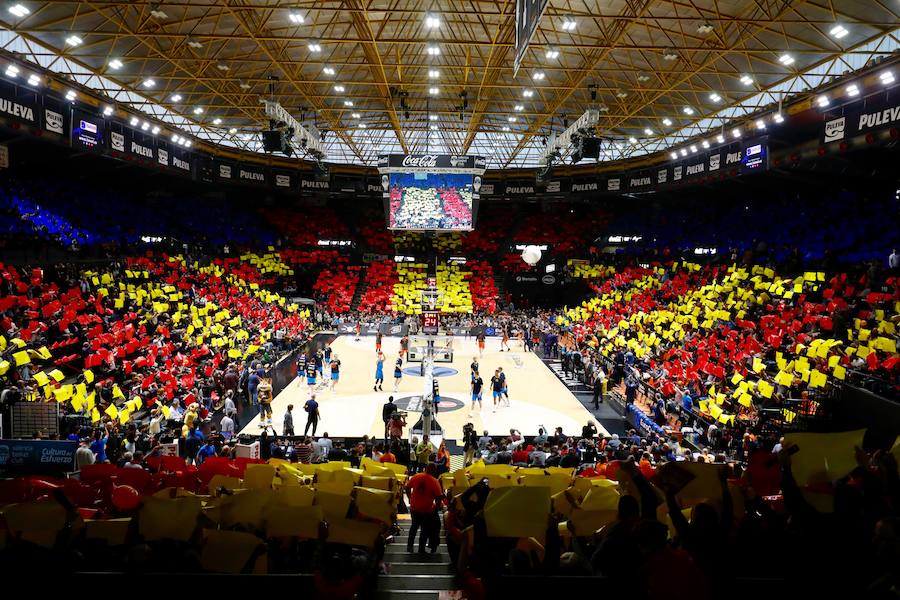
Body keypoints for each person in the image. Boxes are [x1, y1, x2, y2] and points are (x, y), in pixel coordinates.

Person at [406, 463, 444, 554]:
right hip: (426, 510)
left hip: (414, 507)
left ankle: (409, 546)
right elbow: (439, 498)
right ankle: (421, 549)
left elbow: (407, 488)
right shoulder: (435, 481)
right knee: (424, 530)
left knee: (414, 527)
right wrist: (436, 508)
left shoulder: (416, 476)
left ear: (426, 468)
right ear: (434, 471)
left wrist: (409, 498)